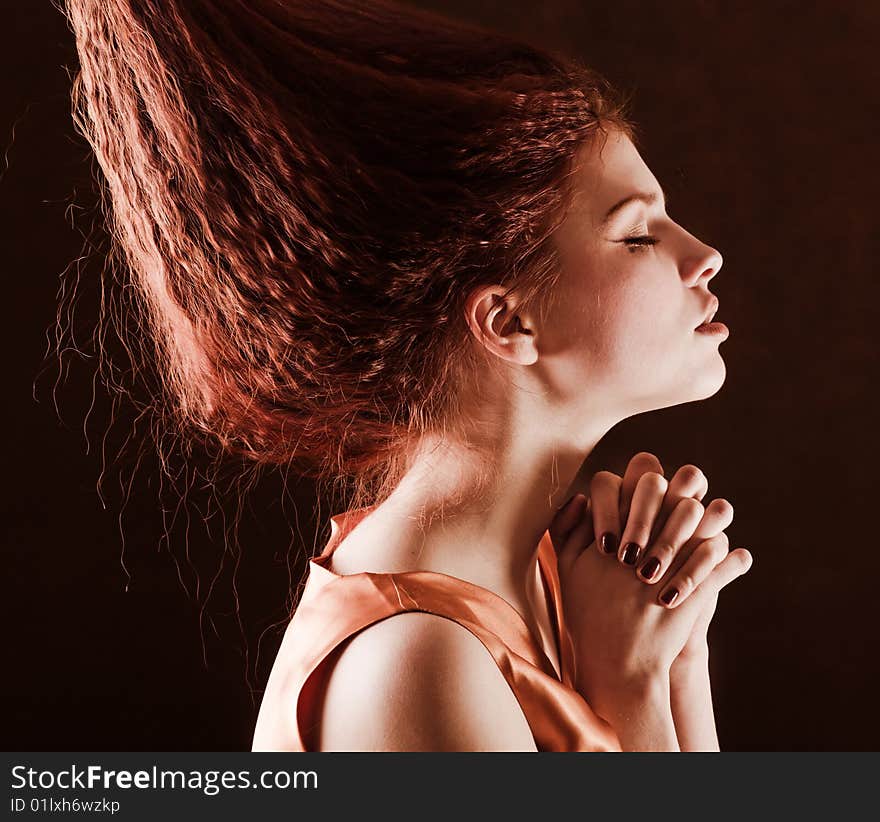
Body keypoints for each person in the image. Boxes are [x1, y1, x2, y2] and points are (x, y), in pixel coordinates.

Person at [63, 0, 751, 751]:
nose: (703, 254)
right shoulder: (418, 662)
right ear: (507, 323)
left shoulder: (553, 579)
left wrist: (679, 654)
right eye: (638, 233)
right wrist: (636, 687)